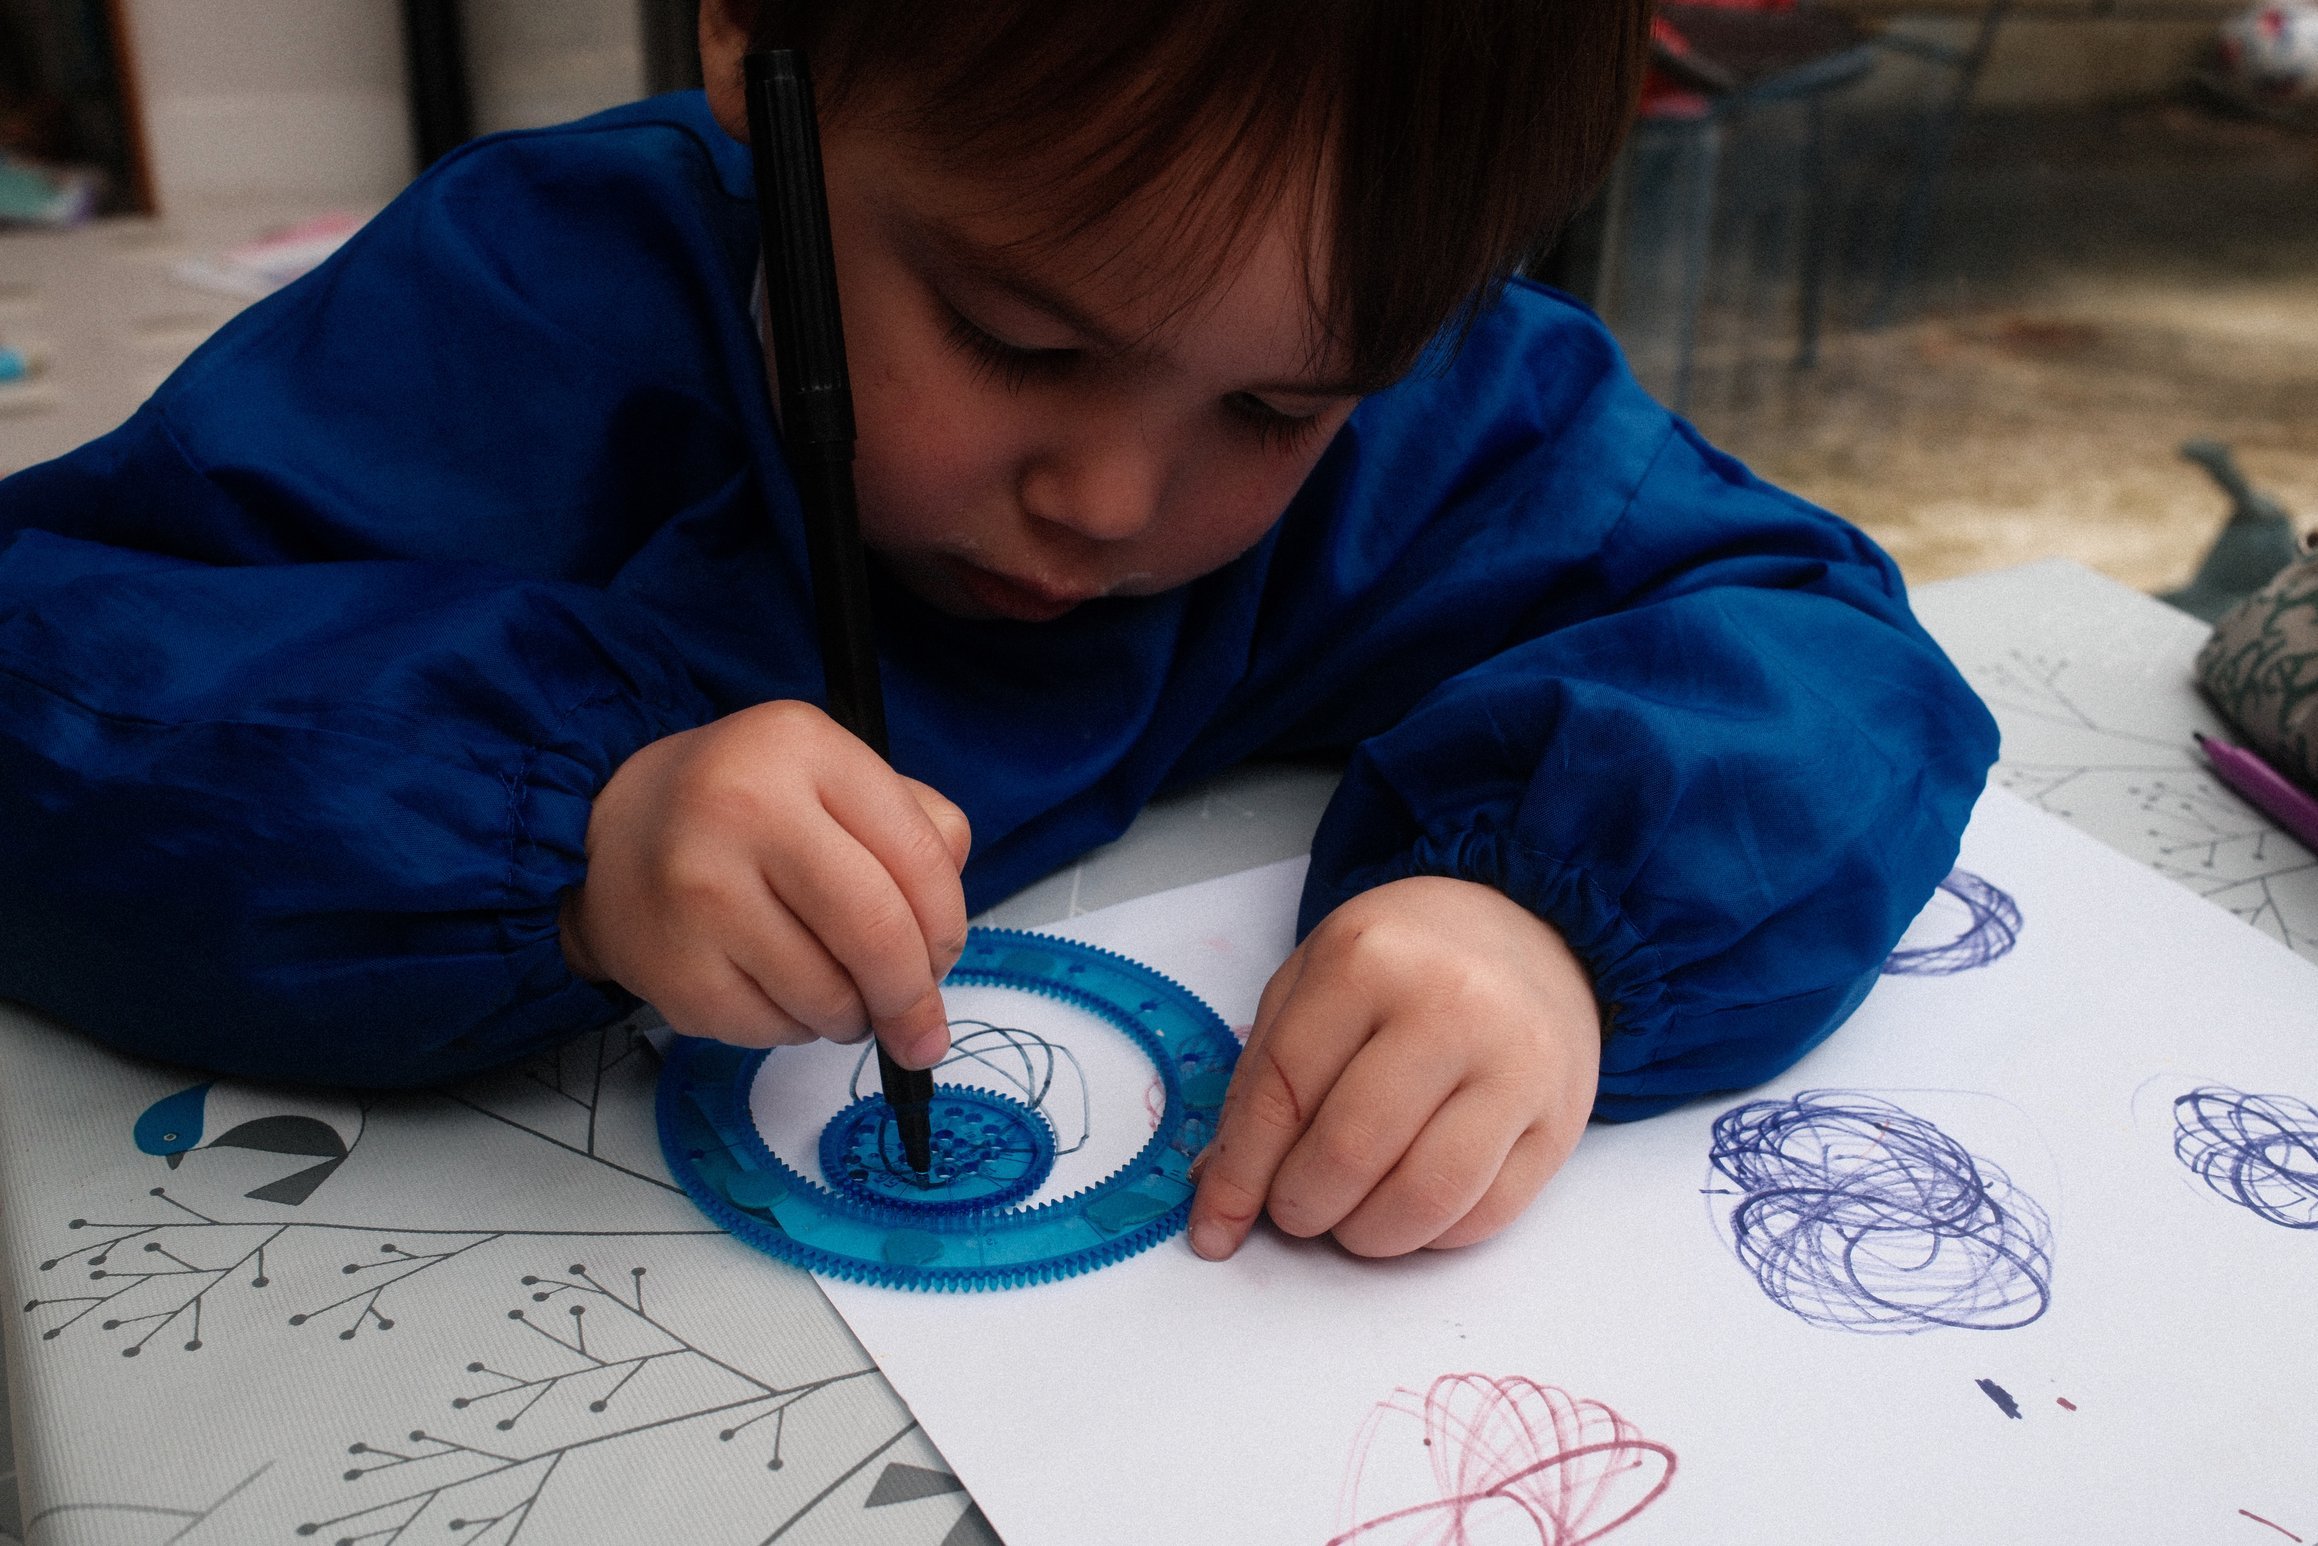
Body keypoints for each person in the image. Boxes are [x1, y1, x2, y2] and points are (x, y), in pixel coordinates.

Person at [0, 0, 1996, 1264]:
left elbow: (1811, 635)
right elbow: (52, 673)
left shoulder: (1438, 409)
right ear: (762, 49)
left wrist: (1557, 922)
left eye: (1275, 408)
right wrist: (560, 825)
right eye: (1021, 338)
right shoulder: (515, 327)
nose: (1115, 501)